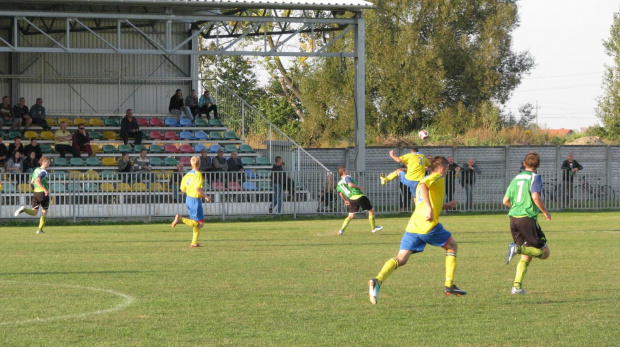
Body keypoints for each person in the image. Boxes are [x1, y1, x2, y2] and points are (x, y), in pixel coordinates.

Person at [367, 156, 464, 305]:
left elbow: (425, 194)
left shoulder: (427, 179)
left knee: (402, 258)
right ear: (443, 168)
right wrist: (430, 209)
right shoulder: (437, 176)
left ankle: (377, 280)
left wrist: (444, 206)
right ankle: (449, 285)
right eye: (447, 168)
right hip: (428, 224)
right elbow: (424, 187)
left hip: (414, 225)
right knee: (452, 246)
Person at [503, 152, 552, 294]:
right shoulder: (535, 178)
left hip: (513, 219)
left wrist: (517, 208)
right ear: (538, 165)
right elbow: (535, 196)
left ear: (524, 164)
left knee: (528, 254)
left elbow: (505, 201)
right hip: (527, 219)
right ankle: (516, 249)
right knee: (545, 252)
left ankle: (517, 287)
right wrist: (545, 212)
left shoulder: (516, 178)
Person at [171, 156, 211, 247]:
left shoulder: (187, 175)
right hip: (195, 200)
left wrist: (191, 191)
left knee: (196, 222)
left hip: (188, 199)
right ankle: (180, 218)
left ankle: (194, 242)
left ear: (191, 164)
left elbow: (182, 189)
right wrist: (206, 196)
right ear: (199, 164)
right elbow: (198, 189)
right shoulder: (198, 174)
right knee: (200, 223)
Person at [336, 165, 383, 235]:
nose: (347, 171)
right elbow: (350, 185)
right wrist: (360, 187)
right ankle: (373, 228)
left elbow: (341, 194)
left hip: (351, 199)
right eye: (346, 170)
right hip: (359, 196)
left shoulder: (339, 183)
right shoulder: (347, 177)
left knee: (350, 216)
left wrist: (345, 200)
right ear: (344, 172)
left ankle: (341, 230)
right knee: (371, 211)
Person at [14, 156, 51, 234]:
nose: (49, 163)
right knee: (44, 211)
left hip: (36, 192)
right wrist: (44, 189)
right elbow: (37, 181)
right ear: (43, 162)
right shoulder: (44, 172)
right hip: (42, 193)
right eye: (48, 161)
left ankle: (23, 209)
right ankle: (40, 230)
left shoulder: (36, 170)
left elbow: (32, 181)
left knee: (34, 212)